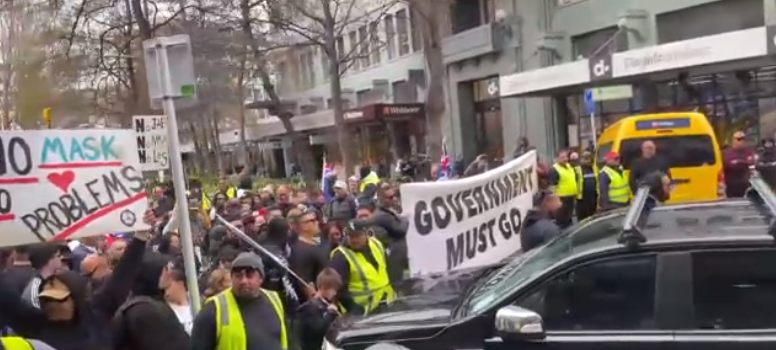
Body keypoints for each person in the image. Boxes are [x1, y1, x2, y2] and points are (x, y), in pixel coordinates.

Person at [0, 211, 154, 350]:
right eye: (46, 298)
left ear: (75, 297)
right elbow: (6, 300)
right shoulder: (35, 324)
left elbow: (123, 275)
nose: (50, 303)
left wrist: (140, 237)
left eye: (58, 298)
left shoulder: (98, 314)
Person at [191, 252, 288, 350]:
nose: (244, 281)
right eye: (238, 276)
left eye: (249, 275)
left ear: (261, 278)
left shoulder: (274, 298)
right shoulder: (214, 309)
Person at [112, 253, 190, 350]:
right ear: (153, 273)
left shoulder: (136, 306)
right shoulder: (148, 312)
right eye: (165, 269)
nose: (169, 273)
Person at [329, 219, 396, 315]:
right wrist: (355, 309)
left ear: (366, 234)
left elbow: (387, 268)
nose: (354, 240)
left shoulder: (376, 244)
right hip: (361, 310)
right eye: (350, 236)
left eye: (357, 236)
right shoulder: (341, 256)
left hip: (386, 303)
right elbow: (340, 289)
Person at [297, 268, 343, 350]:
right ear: (323, 288)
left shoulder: (327, 304)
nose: (335, 293)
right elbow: (315, 331)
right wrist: (330, 314)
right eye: (333, 290)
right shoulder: (308, 308)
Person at [548, 149, 577, 228]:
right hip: (561, 199)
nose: (565, 159)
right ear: (557, 159)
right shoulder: (554, 170)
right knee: (562, 221)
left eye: (566, 157)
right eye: (562, 157)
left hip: (571, 197)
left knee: (569, 218)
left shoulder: (569, 167)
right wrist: (555, 201)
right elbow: (552, 187)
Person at [723, 131, 755, 198]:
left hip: (745, 185)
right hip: (731, 186)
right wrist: (743, 162)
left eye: (743, 139)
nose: (741, 141)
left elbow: (751, 162)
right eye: (739, 139)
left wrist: (738, 162)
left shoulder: (748, 152)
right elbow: (728, 165)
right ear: (733, 140)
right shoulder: (727, 153)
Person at [574, 151, 597, 221]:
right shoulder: (577, 169)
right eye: (585, 158)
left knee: (592, 219)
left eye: (589, 158)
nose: (587, 160)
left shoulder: (594, 168)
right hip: (582, 200)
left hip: (593, 199)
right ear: (581, 159)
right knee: (582, 220)